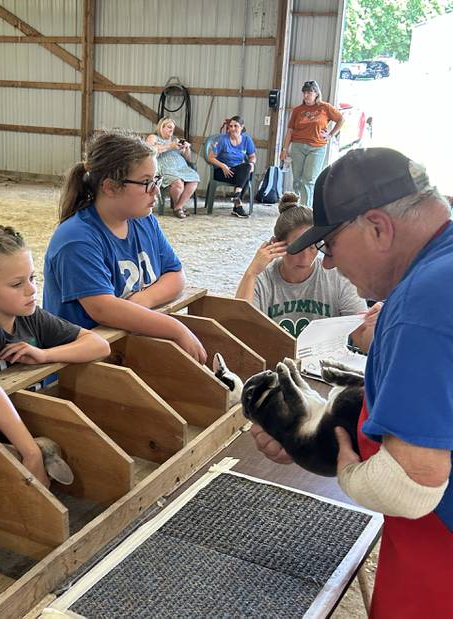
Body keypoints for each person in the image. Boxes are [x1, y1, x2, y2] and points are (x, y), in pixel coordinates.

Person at [253, 147, 453, 617]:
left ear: (378, 227)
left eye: (329, 246)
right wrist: (316, 433)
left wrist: (343, 466)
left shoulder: (421, 307)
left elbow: (411, 484)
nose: (327, 264)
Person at [0, 225, 110, 487]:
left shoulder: (30, 315)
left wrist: (45, 355)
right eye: (17, 284)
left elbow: (99, 345)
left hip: (24, 424)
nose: (31, 290)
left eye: (33, 278)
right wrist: (30, 451)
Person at [43, 131, 207, 364]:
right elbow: (103, 309)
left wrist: (144, 299)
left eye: (156, 180)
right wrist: (176, 329)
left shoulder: (144, 220)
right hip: (79, 369)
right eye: (146, 183)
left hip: (124, 352)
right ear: (110, 187)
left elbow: (176, 275)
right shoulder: (77, 239)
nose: (156, 190)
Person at [235, 191, 378, 350]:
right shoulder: (261, 278)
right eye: (298, 248)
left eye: (312, 247)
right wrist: (251, 273)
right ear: (277, 244)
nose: (305, 259)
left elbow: (364, 339)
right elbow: (240, 334)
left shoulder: (336, 276)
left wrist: (384, 322)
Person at [280, 80, 344, 208]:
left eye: (309, 92)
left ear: (316, 93)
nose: (306, 95)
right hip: (298, 146)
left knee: (308, 180)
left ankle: (306, 208)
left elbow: (341, 119)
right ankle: (295, 207)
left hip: (317, 147)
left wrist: (330, 134)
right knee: (297, 179)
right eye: (304, 93)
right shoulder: (298, 110)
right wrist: (285, 148)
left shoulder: (325, 108)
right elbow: (290, 130)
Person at [145, 117, 200, 219]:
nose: (171, 130)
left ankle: (178, 207)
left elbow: (187, 158)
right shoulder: (153, 137)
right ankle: (179, 208)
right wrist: (171, 146)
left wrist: (187, 149)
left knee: (194, 179)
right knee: (178, 183)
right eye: (169, 127)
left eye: (173, 128)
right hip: (165, 168)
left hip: (181, 166)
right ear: (162, 127)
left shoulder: (175, 140)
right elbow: (150, 150)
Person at [206, 115, 257, 218]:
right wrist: (223, 166)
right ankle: (237, 206)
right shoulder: (222, 140)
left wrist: (252, 164)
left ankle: (237, 196)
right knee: (246, 176)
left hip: (237, 171)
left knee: (248, 167)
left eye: (236, 126)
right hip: (222, 171)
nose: (233, 129)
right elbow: (210, 157)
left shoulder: (246, 139)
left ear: (242, 127)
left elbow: (252, 157)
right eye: (231, 126)